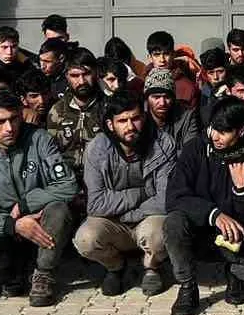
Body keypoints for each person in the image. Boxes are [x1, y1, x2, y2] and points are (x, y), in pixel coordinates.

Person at [0, 89, 78, 307]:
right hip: (6, 227)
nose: (9, 128)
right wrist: (13, 225)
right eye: (0, 122)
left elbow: (68, 185)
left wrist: (25, 204)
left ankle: (44, 273)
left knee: (59, 210)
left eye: (14, 119)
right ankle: (11, 270)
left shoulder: (39, 140)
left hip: (40, 219)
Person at [163, 99, 244, 315]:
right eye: (213, 128)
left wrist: (243, 191)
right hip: (199, 234)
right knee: (173, 222)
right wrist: (213, 214)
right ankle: (187, 286)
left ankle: (235, 274)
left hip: (236, 240)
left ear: (242, 130)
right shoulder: (196, 149)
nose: (215, 136)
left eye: (224, 132)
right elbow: (175, 197)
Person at [74, 92, 179, 296]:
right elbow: (95, 204)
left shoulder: (163, 144)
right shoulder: (97, 148)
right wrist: (140, 193)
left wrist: (132, 214)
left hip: (148, 217)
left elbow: (166, 197)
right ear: (111, 124)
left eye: (136, 118)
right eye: (122, 121)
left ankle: (152, 267)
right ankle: (116, 267)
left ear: (144, 117)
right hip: (112, 220)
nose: (130, 126)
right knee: (85, 239)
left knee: (159, 234)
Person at [46, 48, 105, 173]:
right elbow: (50, 153)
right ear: (67, 76)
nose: (81, 81)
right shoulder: (57, 111)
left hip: (100, 176)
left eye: (86, 74)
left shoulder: (108, 107)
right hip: (67, 178)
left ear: (95, 72)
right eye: (75, 75)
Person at [145, 68, 202, 148]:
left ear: (173, 98)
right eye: (156, 97)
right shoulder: (138, 117)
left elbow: (190, 152)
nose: (162, 103)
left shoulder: (188, 116)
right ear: (147, 98)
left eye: (167, 97)